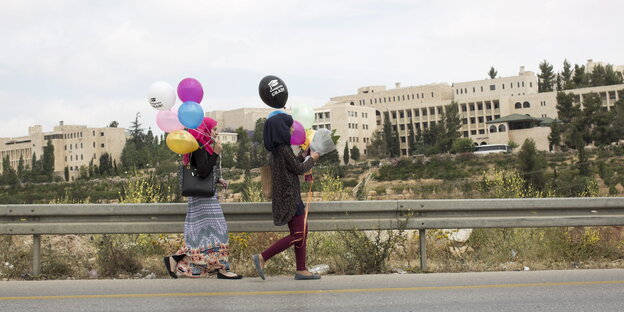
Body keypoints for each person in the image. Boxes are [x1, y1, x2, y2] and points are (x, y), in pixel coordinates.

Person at [163, 117, 242, 279]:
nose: (216, 132)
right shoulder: (199, 147)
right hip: (203, 199)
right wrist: (216, 153)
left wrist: (217, 179)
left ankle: (176, 259)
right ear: (205, 130)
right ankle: (222, 269)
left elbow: (202, 172)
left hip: (202, 196)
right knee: (219, 231)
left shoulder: (201, 147)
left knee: (203, 234)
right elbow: (204, 171)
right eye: (213, 129)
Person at [252, 113, 321, 280]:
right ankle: (263, 257)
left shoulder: (278, 150)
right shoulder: (283, 149)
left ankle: (301, 269)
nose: (292, 129)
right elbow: (298, 169)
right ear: (281, 129)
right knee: (298, 234)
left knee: (301, 231)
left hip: (287, 195)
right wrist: (312, 159)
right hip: (290, 197)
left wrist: (303, 155)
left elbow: (292, 165)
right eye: (289, 126)